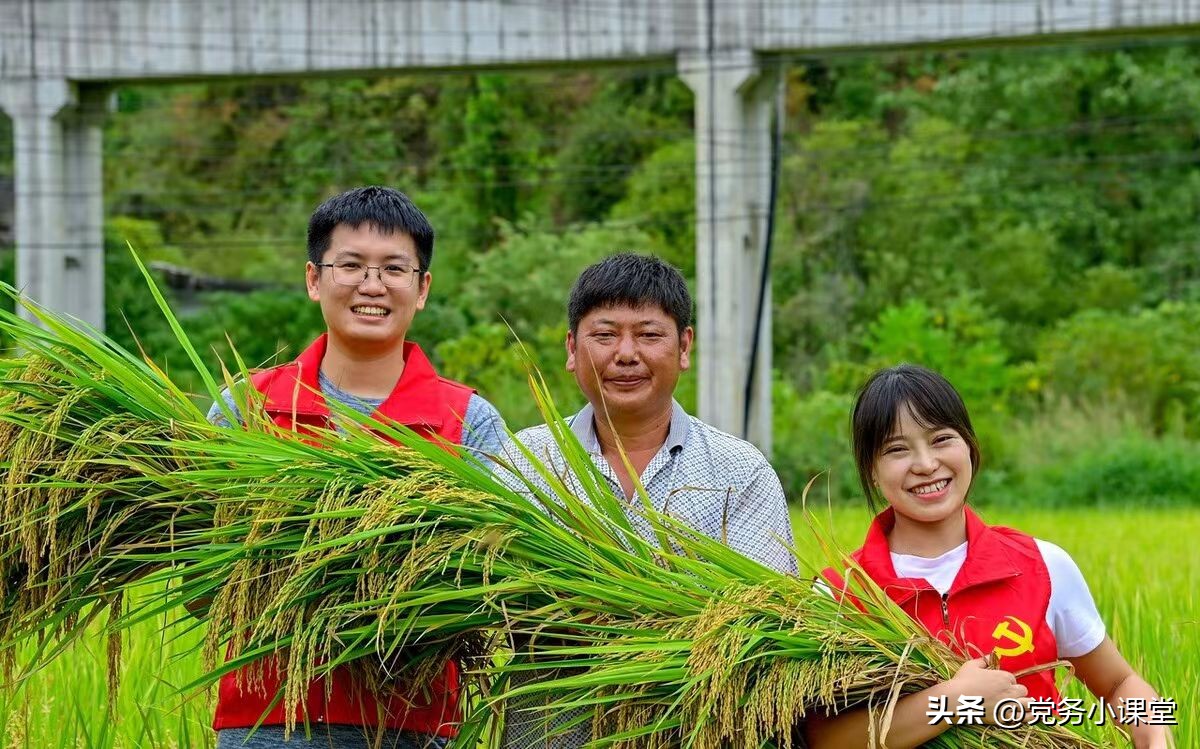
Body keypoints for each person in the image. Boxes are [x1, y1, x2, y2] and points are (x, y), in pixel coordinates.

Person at [204, 186, 507, 749]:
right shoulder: (246, 407)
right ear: (315, 278)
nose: (372, 285)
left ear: (422, 289)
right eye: (352, 265)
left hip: (409, 724)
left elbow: (491, 582)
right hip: (268, 721)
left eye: (394, 268)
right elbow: (198, 573)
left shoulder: (468, 419)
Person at [497, 253, 797, 748]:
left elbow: (761, 620)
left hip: (694, 732)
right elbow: (498, 598)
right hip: (550, 733)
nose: (627, 354)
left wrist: (590, 605)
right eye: (605, 334)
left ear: (684, 347)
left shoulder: (738, 472)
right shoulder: (525, 462)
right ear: (572, 349)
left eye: (650, 334)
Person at [806, 364, 1170, 749]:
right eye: (897, 449)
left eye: (941, 439)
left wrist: (1153, 737)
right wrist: (957, 701)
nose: (926, 464)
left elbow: (1118, 684)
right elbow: (824, 739)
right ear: (872, 471)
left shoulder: (1042, 566)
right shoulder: (840, 594)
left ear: (970, 447)